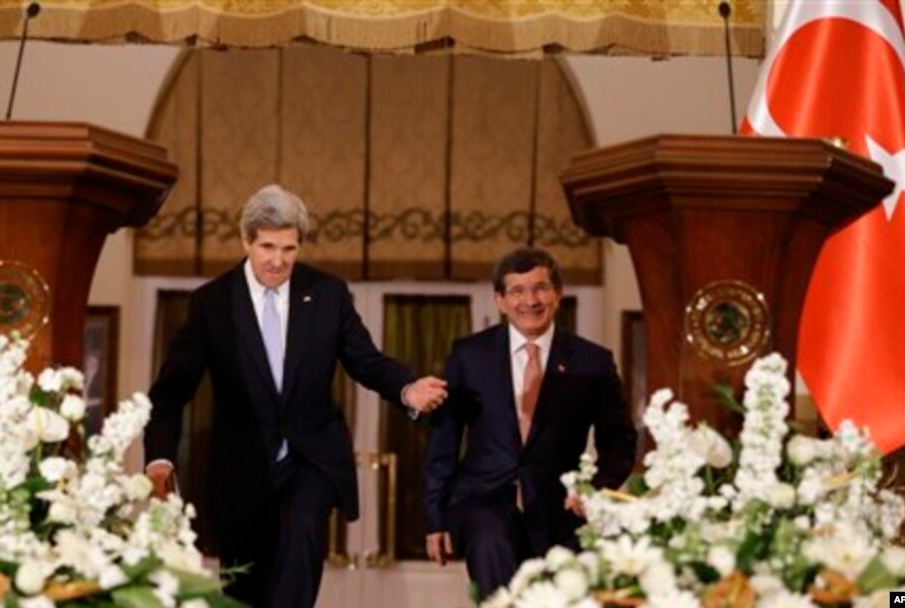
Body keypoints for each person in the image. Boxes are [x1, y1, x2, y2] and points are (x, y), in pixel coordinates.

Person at [145, 184, 448, 608]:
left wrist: (406, 388)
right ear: (245, 241)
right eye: (267, 246)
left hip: (310, 460)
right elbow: (173, 390)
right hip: (241, 468)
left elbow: (366, 360)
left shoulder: (327, 295)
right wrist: (159, 458)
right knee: (244, 591)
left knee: (301, 548)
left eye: (289, 248)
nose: (278, 260)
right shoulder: (211, 303)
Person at [422, 247, 636, 599]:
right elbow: (443, 440)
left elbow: (619, 440)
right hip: (484, 501)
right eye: (517, 291)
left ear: (557, 295)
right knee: (494, 553)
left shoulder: (592, 362)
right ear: (500, 301)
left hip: (561, 511)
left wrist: (595, 488)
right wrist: (435, 517)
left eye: (540, 288)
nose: (530, 300)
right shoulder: (468, 356)